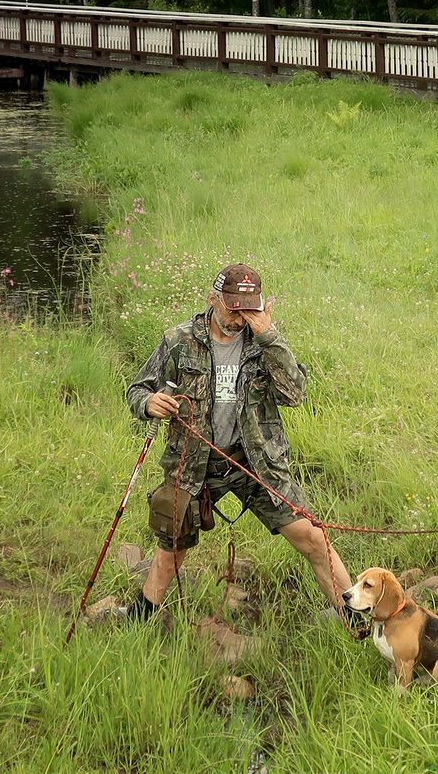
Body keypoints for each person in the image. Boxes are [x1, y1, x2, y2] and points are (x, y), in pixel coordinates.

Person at [116, 263, 351, 622]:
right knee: (171, 547)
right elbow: (137, 389)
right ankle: (140, 618)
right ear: (213, 299)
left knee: (314, 538)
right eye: (233, 307)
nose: (240, 317)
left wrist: (269, 335)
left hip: (256, 464)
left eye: (249, 308)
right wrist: (149, 404)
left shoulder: (264, 344)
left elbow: (295, 394)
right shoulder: (179, 341)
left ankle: (353, 616)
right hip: (194, 464)